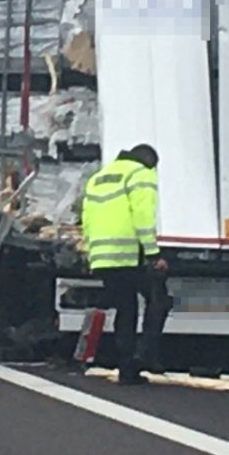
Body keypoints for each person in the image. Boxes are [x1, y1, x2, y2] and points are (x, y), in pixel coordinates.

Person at [82, 143, 172, 385]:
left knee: (126, 308)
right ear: (150, 162)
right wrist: (154, 255)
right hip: (128, 254)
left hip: (103, 256)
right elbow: (143, 217)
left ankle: (127, 368)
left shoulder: (99, 178)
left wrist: (92, 254)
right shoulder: (141, 174)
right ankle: (144, 355)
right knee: (159, 299)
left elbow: (87, 220)